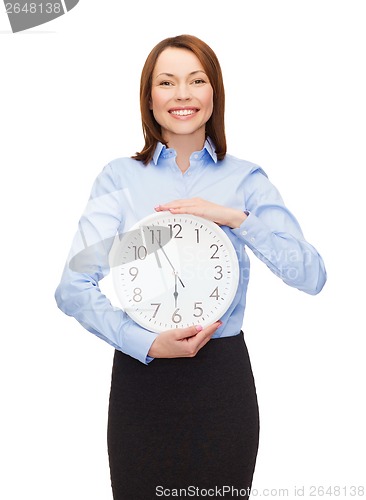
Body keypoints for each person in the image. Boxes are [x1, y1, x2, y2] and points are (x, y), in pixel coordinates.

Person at [55, 34, 327, 499]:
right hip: (143, 383)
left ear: (213, 94)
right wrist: (146, 343)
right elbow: (72, 287)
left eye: (196, 80)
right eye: (167, 82)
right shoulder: (120, 179)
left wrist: (235, 219)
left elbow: (311, 275)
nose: (182, 94)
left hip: (221, 385)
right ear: (149, 98)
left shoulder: (245, 179)